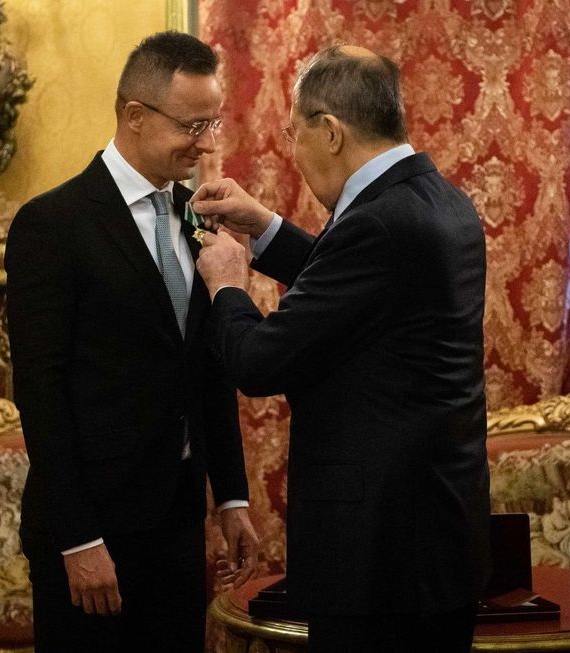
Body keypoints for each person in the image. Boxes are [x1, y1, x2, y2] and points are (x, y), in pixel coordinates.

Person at [192, 45, 490, 653]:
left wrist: (228, 282)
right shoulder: (438, 199)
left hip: (379, 559)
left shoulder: (376, 223)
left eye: (293, 134)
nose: (293, 152)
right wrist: (266, 226)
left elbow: (259, 362)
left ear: (330, 132)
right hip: (434, 544)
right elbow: (358, 297)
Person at [4, 31, 259, 652]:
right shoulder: (51, 223)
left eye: (212, 124)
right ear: (135, 115)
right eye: (192, 126)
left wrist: (231, 496)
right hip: (91, 531)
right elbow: (40, 392)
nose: (207, 144)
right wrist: (78, 539)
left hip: (177, 522)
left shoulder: (199, 214)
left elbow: (208, 367)